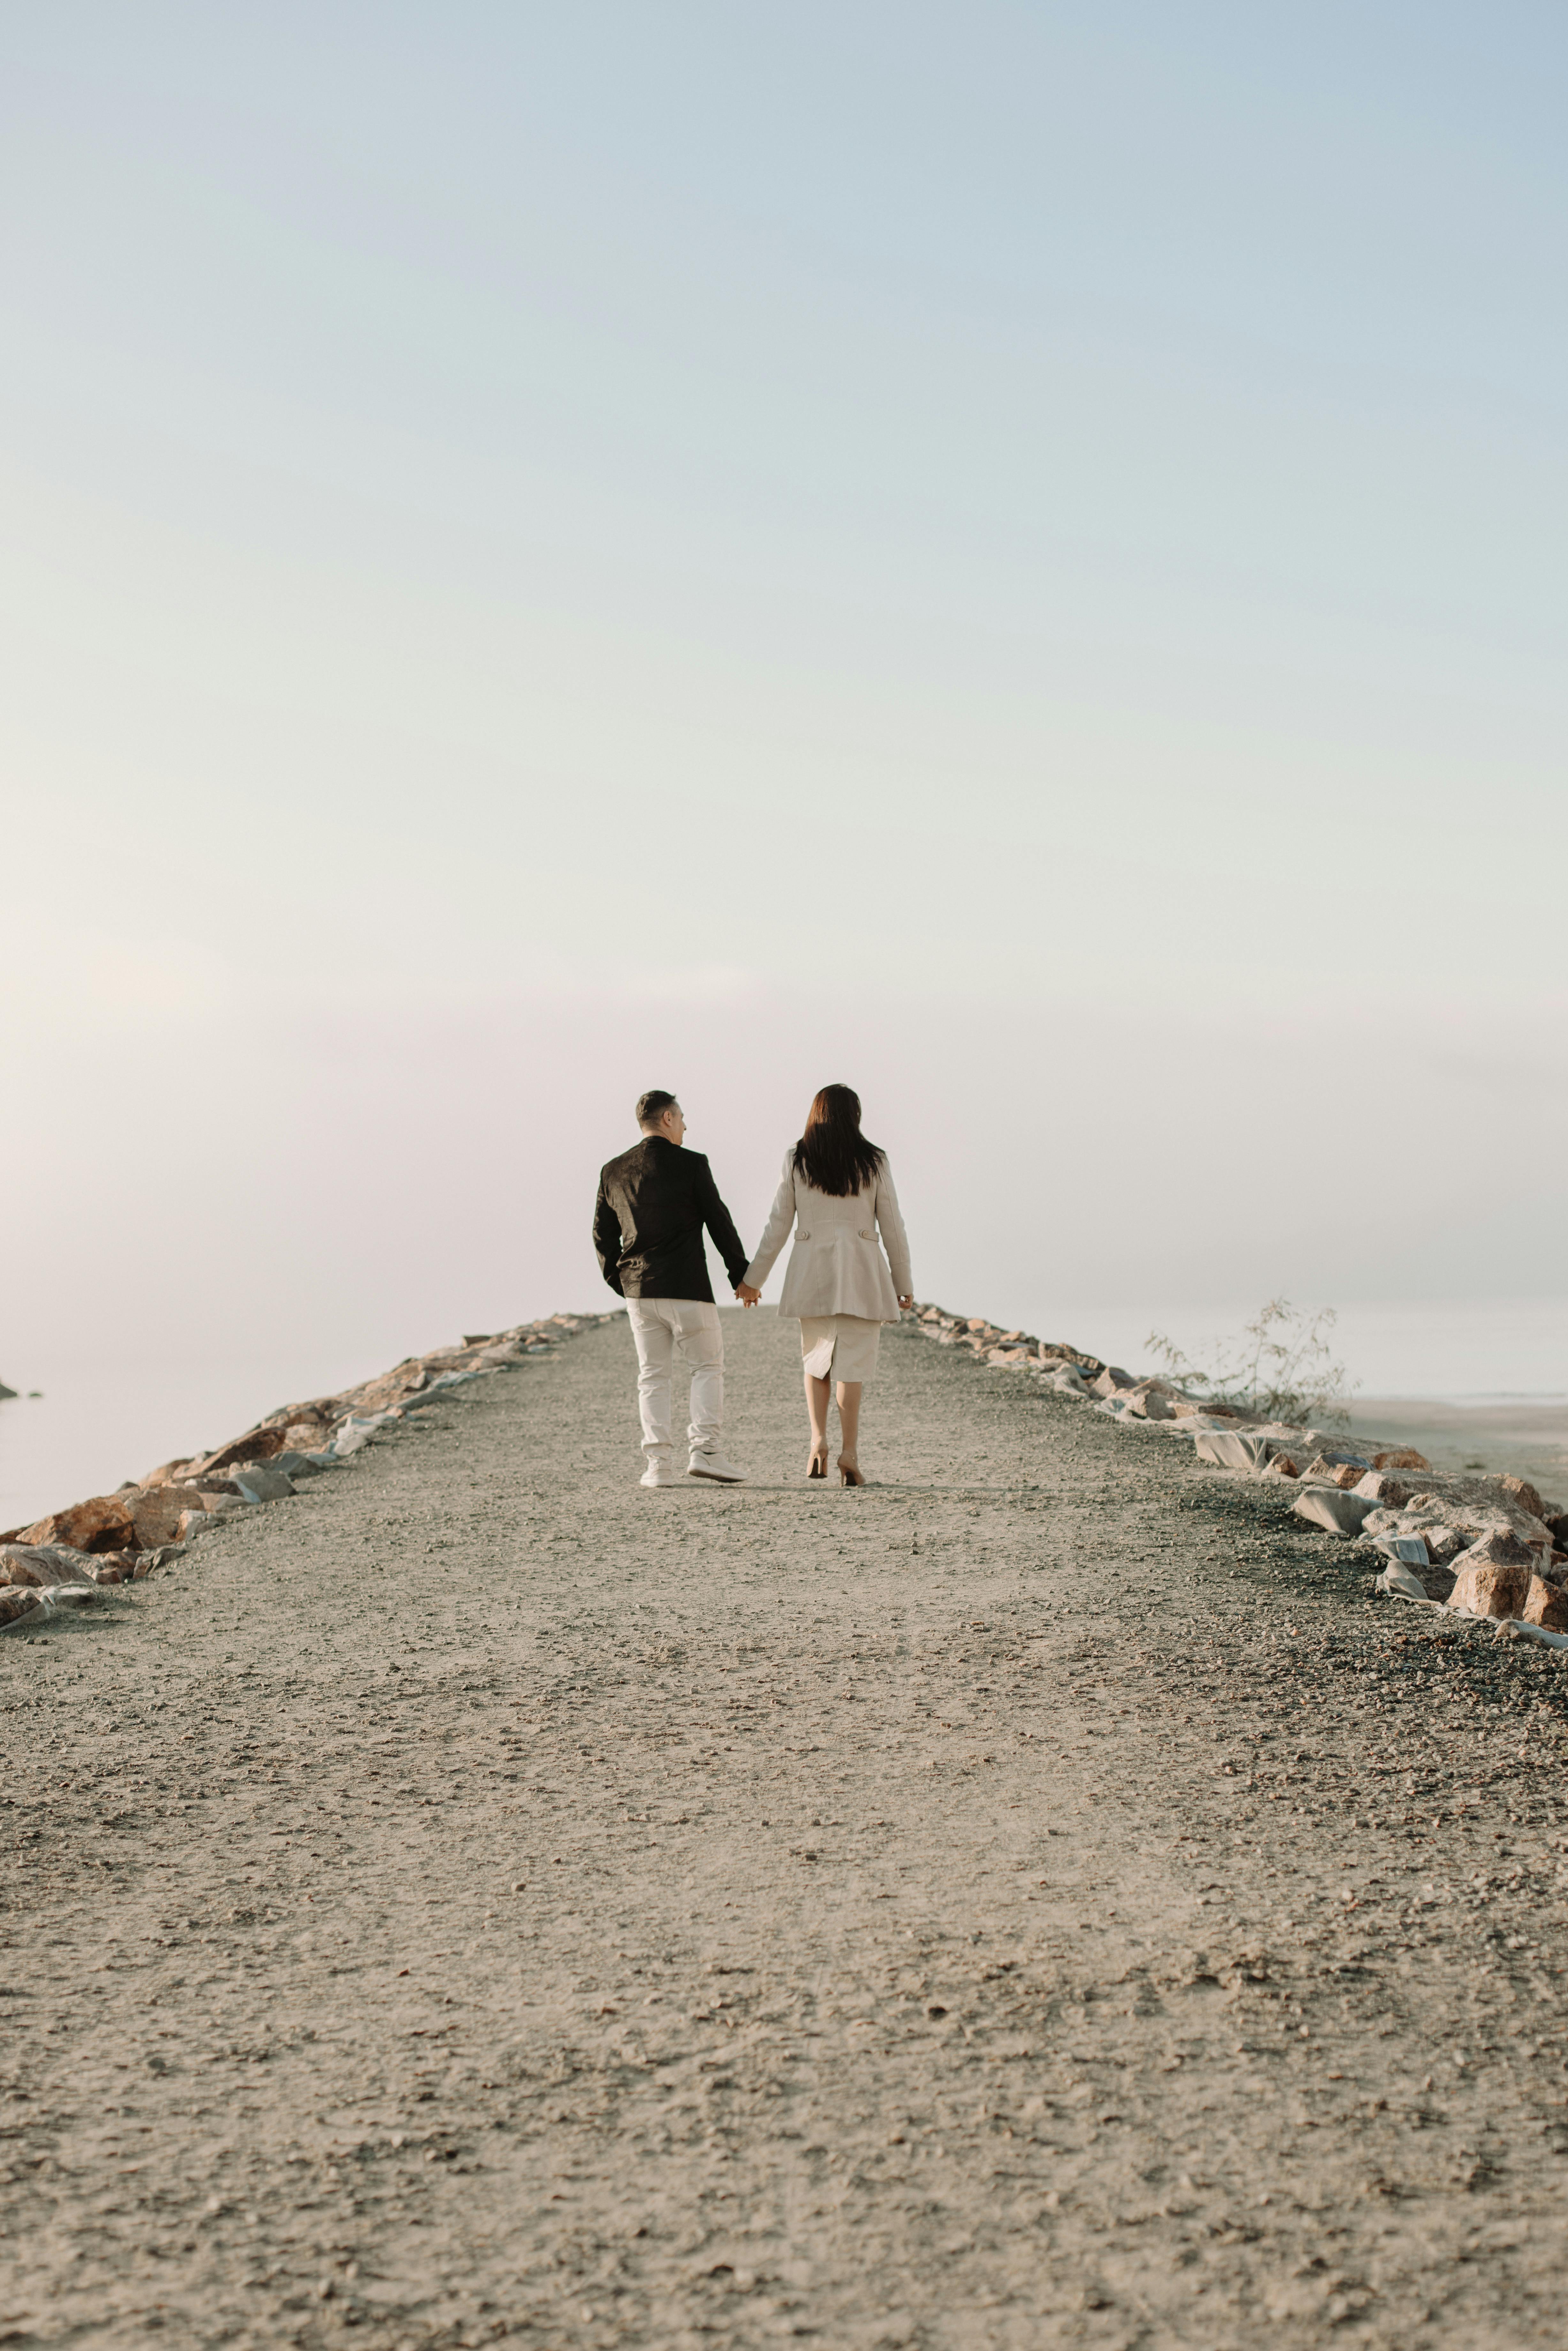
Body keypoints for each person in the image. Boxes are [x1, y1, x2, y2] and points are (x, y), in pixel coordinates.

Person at [736, 1084, 913, 1485]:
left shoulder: (797, 1158)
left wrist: (752, 1281)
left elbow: (777, 1225)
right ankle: (849, 1453)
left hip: (811, 1272)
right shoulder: (874, 1160)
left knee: (816, 1360)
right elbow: (892, 1224)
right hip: (862, 1273)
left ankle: (818, 1443)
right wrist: (903, 1281)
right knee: (852, 1367)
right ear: (855, 1116)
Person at [594, 1090, 753, 1487]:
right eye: (681, 1117)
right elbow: (719, 1221)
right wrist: (742, 1277)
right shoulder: (692, 1164)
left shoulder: (612, 1171)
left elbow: (601, 1237)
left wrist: (623, 1283)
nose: (685, 1125)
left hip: (639, 1293)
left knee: (652, 1377)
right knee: (706, 1368)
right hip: (687, 1287)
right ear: (667, 1118)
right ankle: (706, 1452)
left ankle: (657, 1467)